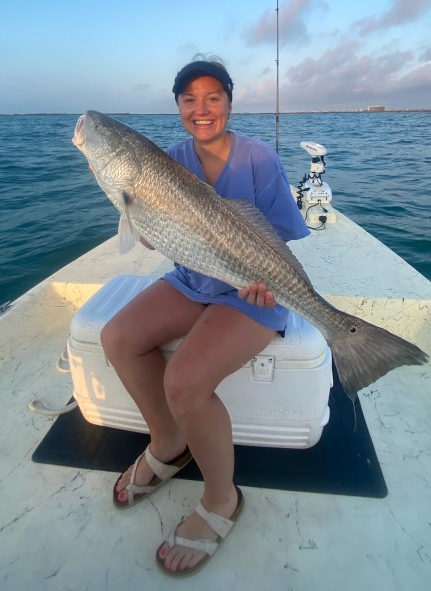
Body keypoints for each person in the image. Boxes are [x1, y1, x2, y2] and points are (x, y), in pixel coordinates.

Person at [100, 56, 309, 577]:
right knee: (118, 337)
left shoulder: (260, 159)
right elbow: (151, 234)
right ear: (177, 107)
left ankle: (222, 499)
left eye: (213, 97)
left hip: (252, 290)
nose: (202, 108)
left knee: (185, 380)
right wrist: (131, 207)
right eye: (189, 99)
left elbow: (278, 237)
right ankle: (169, 443)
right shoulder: (166, 160)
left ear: (230, 103)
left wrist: (262, 283)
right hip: (194, 279)